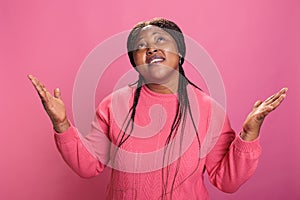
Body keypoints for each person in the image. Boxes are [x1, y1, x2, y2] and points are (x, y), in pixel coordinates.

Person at [28, 18, 287, 200]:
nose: (150, 47)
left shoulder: (210, 110)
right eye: (140, 46)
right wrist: (61, 124)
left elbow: (227, 182)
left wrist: (249, 133)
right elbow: (88, 167)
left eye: (160, 39)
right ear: (135, 62)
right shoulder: (114, 104)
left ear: (180, 53)